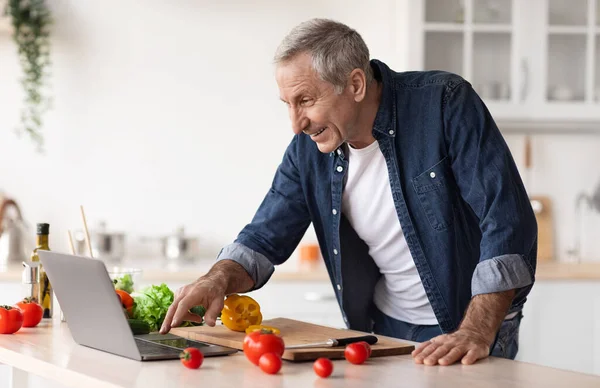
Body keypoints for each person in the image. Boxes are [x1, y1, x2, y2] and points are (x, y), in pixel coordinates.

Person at [160, 18, 537, 367]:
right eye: (288, 105)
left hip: (466, 326)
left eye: (306, 100)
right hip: (382, 332)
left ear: (355, 84)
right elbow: (263, 237)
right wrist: (217, 278)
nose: (296, 124)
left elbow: (506, 219)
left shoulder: (444, 103)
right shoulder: (308, 151)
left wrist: (477, 329)